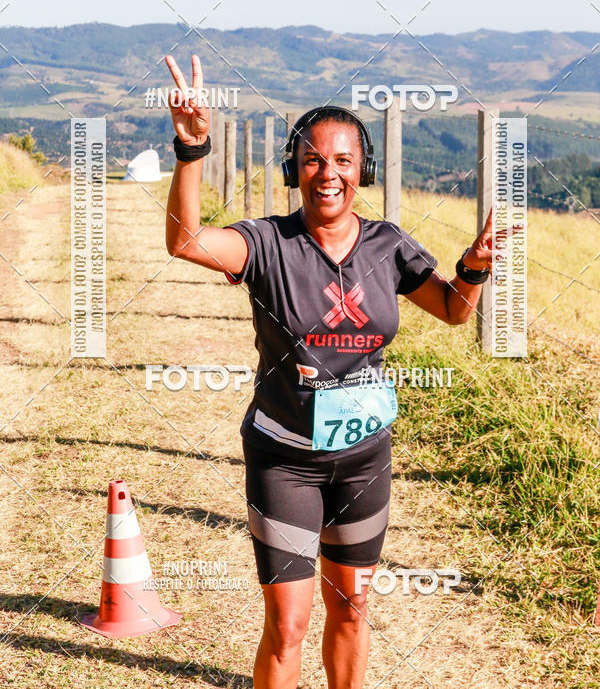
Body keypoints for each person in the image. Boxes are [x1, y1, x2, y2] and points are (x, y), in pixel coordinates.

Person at [164, 53, 501, 689]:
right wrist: (192, 148)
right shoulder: (267, 242)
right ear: (294, 168)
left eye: (344, 160)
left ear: (362, 171)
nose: (329, 173)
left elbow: (455, 311)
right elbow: (185, 239)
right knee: (288, 624)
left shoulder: (389, 245)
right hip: (285, 456)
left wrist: (475, 267)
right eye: (314, 159)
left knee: (352, 608)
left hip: (363, 456)